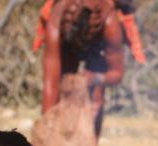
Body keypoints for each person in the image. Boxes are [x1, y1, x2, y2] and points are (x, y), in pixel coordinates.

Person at [37, 0, 127, 137]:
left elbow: (117, 74)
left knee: (96, 96)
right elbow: (51, 83)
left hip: (98, 46)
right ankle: (60, 141)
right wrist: (46, 126)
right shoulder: (56, 19)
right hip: (65, 42)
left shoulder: (109, 24)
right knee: (65, 85)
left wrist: (96, 78)